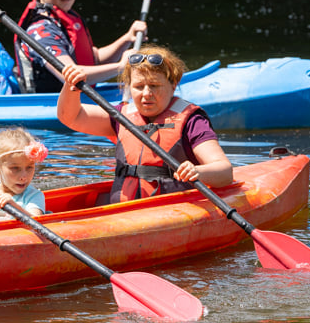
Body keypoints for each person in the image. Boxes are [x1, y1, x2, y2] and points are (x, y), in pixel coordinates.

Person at [57, 44, 233, 203]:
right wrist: (70, 87)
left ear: (173, 84)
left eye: (154, 85)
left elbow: (224, 172)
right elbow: (71, 117)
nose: (146, 93)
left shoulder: (192, 121)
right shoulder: (122, 116)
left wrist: (197, 171)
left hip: (173, 211)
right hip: (122, 212)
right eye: (139, 86)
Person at [15, 0, 148, 93]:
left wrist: (127, 38)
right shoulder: (41, 31)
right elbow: (71, 76)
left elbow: (94, 59)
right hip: (52, 104)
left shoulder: (65, 19)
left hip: (77, 100)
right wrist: (121, 67)